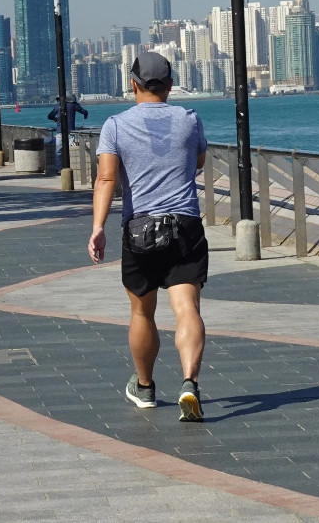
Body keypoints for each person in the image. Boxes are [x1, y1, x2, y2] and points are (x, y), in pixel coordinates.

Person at [89, 52, 209, 422]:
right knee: (186, 307)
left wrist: (98, 227)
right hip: (185, 225)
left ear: (133, 83)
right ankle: (189, 382)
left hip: (139, 228)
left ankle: (145, 387)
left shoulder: (115, 125)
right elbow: (200, 161)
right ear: (170, 85)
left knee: (143, 311)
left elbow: (107, 178)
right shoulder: (189, 120)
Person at [47, 95, 89, 169]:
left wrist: (55, 119)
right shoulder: (73, 105)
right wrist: (85, 115)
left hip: (60, 130)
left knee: (58, 151)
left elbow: (50, 116)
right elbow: (83, 111)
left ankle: (58, 168)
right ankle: (70, 166)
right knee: (69, 149)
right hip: (70, 131)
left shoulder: (58, 106)